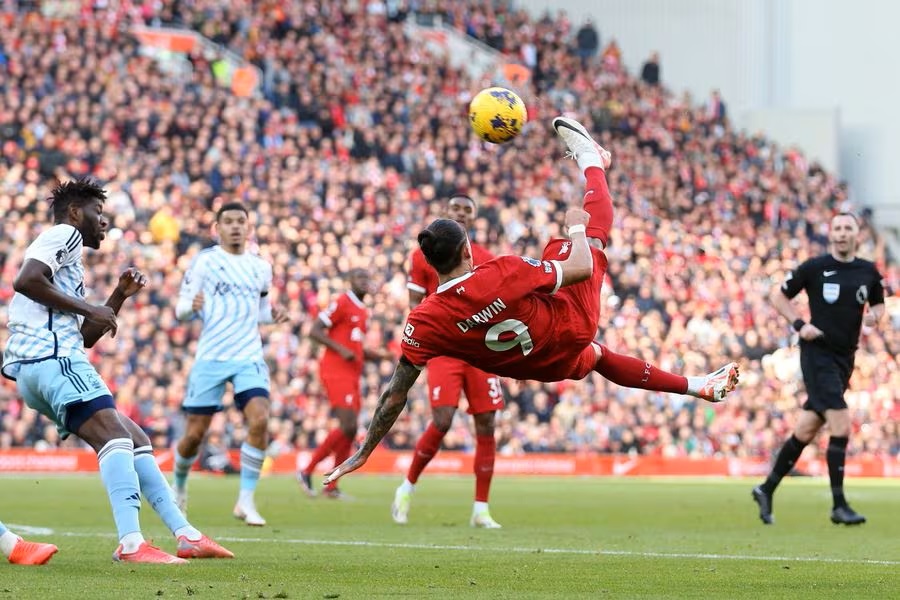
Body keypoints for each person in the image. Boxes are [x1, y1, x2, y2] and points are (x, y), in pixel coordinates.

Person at [324, 117, 740, 487]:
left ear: (431, 265)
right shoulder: (499, 271)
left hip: (544, 366)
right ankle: (593, 163)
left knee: (597, 357)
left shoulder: (423, 322)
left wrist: (364, 450)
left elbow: (394, 396)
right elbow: (579, 268)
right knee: (581, 241)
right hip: (570, 327)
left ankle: (697, 386)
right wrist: (575, 230)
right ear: (468, 252)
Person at [1, 179, 233, 563]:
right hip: (49, 359)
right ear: (76, 212)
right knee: (113, 435)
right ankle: (130, 543)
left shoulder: (69, 261)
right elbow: (24, 280)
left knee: (134, 437)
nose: (104, 222)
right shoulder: (64, 234)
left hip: (41, 363)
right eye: (99, 213)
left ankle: (185, 533)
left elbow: (87, 336)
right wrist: (89, 308)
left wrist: (116, 298)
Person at [752, 213, 885, 526]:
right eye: (836, 228)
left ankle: (766, 488)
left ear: (856, 234)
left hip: (844, 360)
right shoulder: (814, 267)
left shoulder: (867, 271)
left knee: (807, 430)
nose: (841, 233)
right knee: (841, 423)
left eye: (847, 228)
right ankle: (839, 505)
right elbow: (778, 295)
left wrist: (876, 316)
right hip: (817, 355)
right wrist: (799, 324)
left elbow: (879, 303)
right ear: (831, 233)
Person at [172, 202, 289, 526]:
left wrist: (274, 315)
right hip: (211, 356)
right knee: (195, 435)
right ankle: (179, 486)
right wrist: (190, 307)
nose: (236, 226)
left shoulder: (260, 267)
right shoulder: (205, 262)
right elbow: (181, 308)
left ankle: (245, 501)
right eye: (229, 222)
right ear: (218, 228)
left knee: (261, 419)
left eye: (241, 221)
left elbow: (262, 310)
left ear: (249, 227)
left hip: (248, 355)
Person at [393, 194, 505, 528]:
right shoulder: (424, 255)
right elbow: (415, 304)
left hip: (480, 350)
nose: (460, 214)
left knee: (486, 424)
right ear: (446, 213)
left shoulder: (485, 257)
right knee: (442, 421)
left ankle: (481, 509)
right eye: (455, 209)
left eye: (466, 210)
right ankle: (407, 486)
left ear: (474, 217)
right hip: (444, 348)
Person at [298, 268, 390, 498]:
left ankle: (332, 486)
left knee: (349, 432)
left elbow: (356, 349)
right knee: (348, 426)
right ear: (350, 281)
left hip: (351, 373)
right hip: (336, 370)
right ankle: (306, 470)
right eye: (360, 278)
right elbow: (314, 330)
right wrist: (341, 350)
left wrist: (381, 356)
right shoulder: (342, 302)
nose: (364, 282)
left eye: (367, 278)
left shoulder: (362, 310)